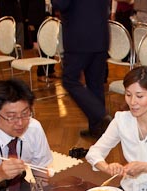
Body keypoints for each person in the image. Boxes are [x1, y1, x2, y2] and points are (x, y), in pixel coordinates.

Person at [52, 0, 111, 139]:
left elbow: (60, 4)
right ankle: (97, 128)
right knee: (95, 84)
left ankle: (100, 115)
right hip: (100, 36)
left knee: (69, 80)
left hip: (79, 39)